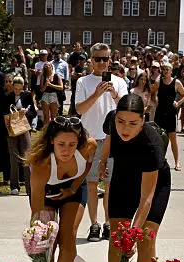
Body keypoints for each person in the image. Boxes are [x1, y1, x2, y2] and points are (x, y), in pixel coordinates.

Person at [98, 95, 170, 262]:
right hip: (123, 177)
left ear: (143, 119)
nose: (125, 128)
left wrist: (134, 233)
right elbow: (109, 137)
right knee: (117, 236)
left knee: (145, 236)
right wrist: (102, 161)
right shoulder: (112, 122)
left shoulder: (152, 144)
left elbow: (146, 198)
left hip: (155, 184)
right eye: (121, 121)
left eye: (133, 123)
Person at [27, 117, 97, 262]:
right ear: (52, 141)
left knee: (68, 235)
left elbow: (87, 165)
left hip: (75, 189)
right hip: (46, 195)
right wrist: (36, 230)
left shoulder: (89, 145)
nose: (66, 150)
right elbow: (36, 206)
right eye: (61, 144)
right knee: (47, 239)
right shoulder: (42, 165)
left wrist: (73, 188)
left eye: (72, 145)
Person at [73, 42, 129, 243]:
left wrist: (113, 93)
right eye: (98, 59)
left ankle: (108, 223)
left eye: (105, 59)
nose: (102, 63)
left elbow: (125, 108)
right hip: (89, 138)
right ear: (91, 60)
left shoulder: (119, 82)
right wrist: (97, 93)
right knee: (91, 183)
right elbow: (79, 109)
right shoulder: (83, 82)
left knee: (110, 184)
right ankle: (94, 224)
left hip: (112, 138)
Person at [5, 75, 37, 196]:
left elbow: (33, 112)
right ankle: (14, 185)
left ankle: (29, 187)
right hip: (12, 130)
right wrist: (12, 113)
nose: (17, 90)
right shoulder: (7, 96)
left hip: (24, 129)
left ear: (23, 86)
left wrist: (26, 111)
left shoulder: (27, 96)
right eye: (15, 88)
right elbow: (2, 111)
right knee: (13, 157)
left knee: (26, 156)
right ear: (12, 87)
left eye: (19, 88)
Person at [152, 63, 184, 170]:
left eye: (168, 69)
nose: (166, 71)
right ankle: (159, 160)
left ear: (171, 70)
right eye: (164, 69)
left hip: (171, 112)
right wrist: (155, 102)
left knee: (173, 138)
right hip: (160, 112)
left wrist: (178, 103)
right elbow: (153, 91)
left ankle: (177, 162)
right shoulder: (159, 82)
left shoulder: (176, 82)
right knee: (158, 137)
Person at [37, 61, 63, 129]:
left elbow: (61, 87)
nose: (46, 66)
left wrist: (51, 85)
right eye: (45, 65)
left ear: (51, 67)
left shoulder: (56, 76)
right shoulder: (43, 76)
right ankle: (45, 134)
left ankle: (53, 132)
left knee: (53, 117)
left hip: (53, 96)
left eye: (48, 65)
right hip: (45, 96)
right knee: (46, 118)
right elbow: (41, 90)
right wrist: (46, 85)